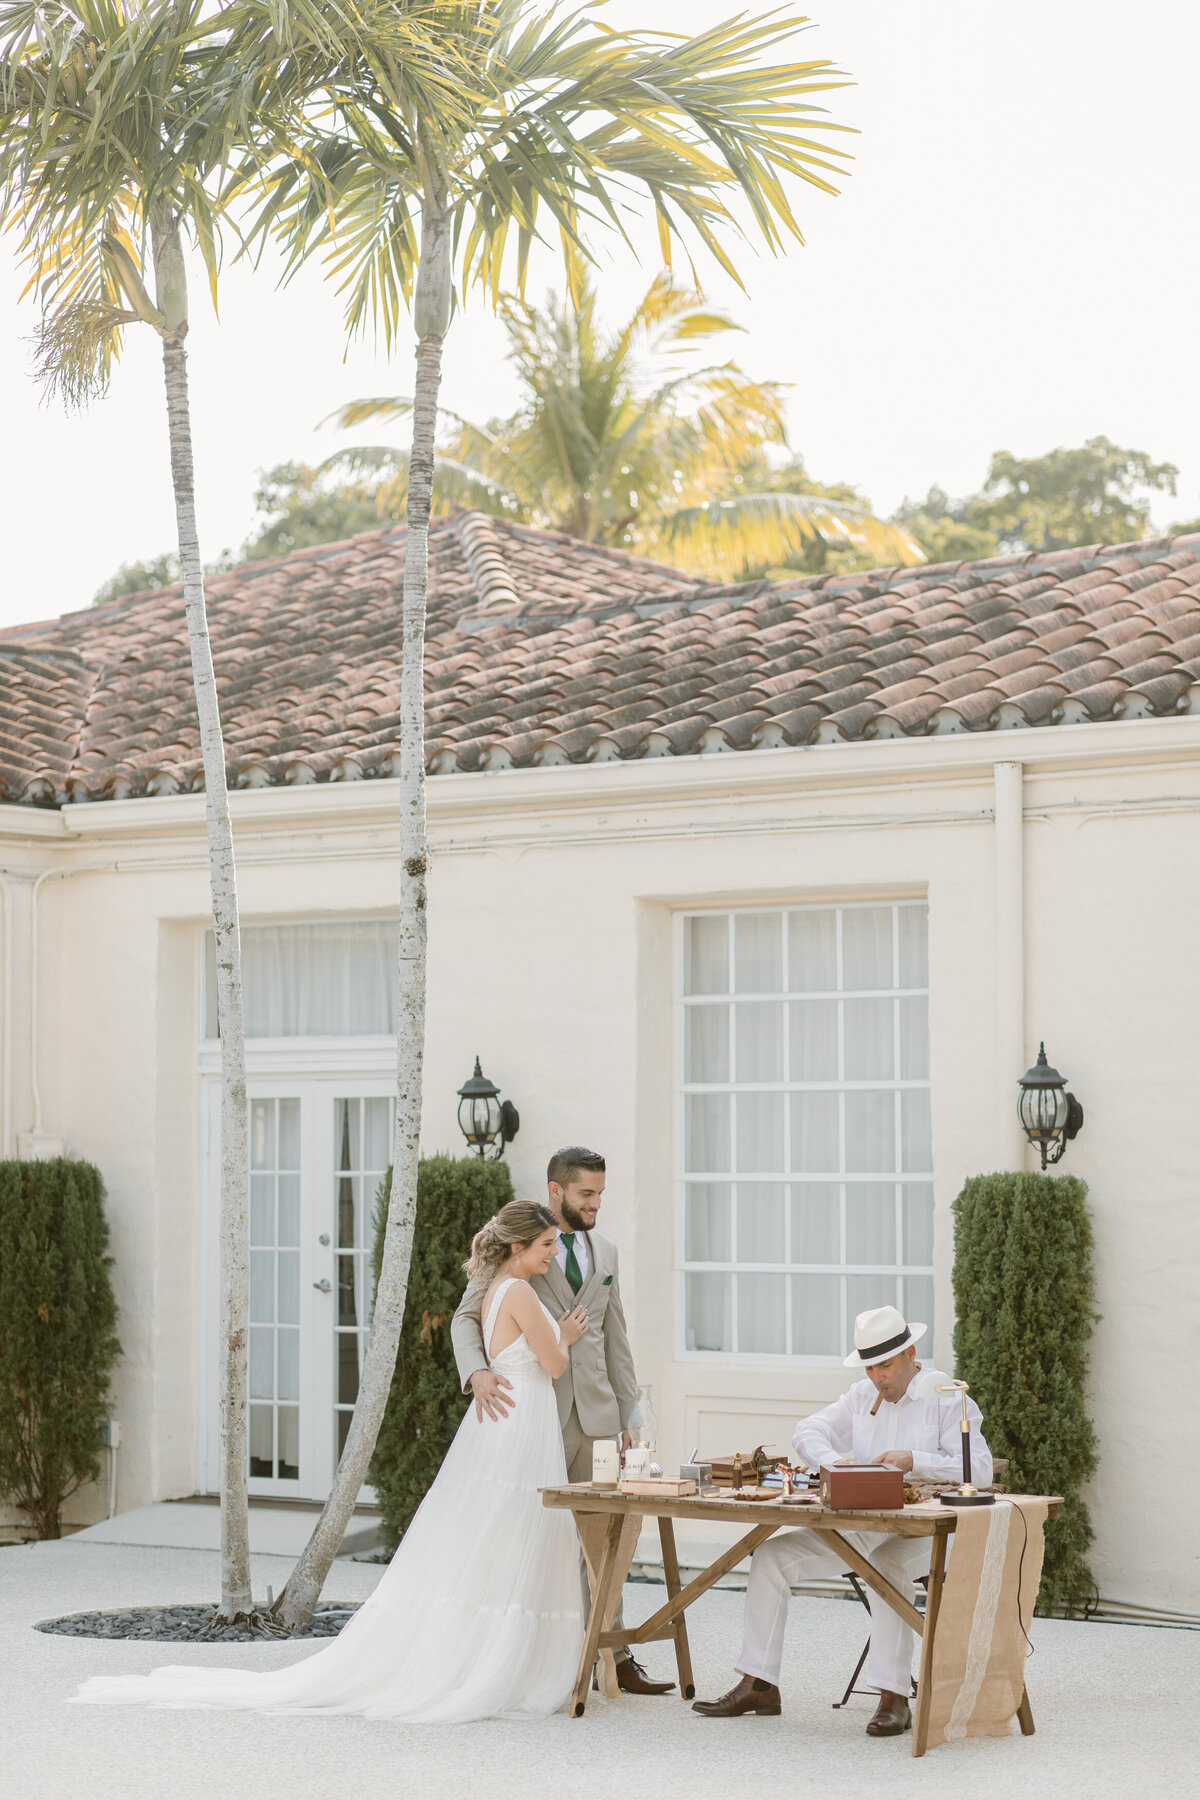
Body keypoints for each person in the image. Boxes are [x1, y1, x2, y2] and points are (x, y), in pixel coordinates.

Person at [73, 1202, 587, 1722]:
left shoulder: (500, 1286)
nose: (553, 1251)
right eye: (546, 1244)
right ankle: (505, 1664)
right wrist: (563, 1337)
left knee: (497, 1536)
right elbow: (554, 1362)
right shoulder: (517, 1290)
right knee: (517, 1532)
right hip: (518, 1419)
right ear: (519, 1247)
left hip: (506, 1420)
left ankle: (496, 1658)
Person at [693, 1304, 992, 1737]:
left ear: (911, 1353)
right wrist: (839, 1466)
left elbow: (979, 1469)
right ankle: (759, 1683)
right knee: (771, 1556)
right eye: (870, 1368)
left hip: (926, 1531)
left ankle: (894, 1696)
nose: (877, 1378)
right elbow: (806, 1431)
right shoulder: (860, 1396)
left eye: (885, 1366)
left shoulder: (944, 1396)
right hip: (863, 1524)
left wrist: (916, 1460)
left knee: (887, 1566)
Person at [451, 1144, 673, 1697]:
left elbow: (615, 1337)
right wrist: (476, 1372)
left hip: (598, 1415)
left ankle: (613, 1655)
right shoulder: (523, 1245)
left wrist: (630, 1413)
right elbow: (466, 1315)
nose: (596, 1204)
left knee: (603, 1536)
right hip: (535, 1417)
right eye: (586, 1194)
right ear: (557, 1191)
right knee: (531, 1537)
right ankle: (532, 1653)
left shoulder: (609, 1253)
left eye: (600, 1193)